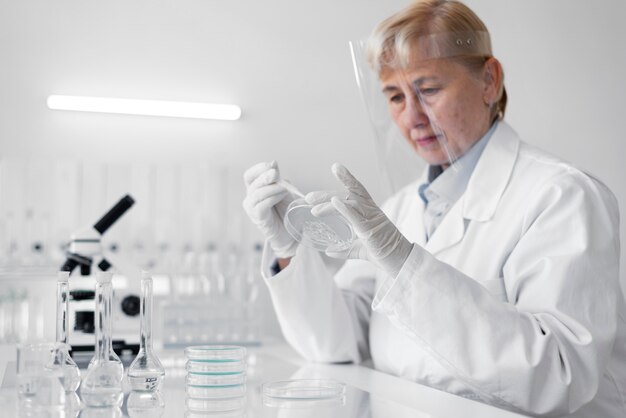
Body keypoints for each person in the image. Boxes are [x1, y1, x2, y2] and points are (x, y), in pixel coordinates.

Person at [242, 1, 626, 417]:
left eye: (428, 90)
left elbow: (558, 375)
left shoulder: (563, 196)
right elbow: (336, 342)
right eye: (394, 95)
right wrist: (289, 249)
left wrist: (407, 264)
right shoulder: (401, 208)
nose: (411, 117)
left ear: (489, 81)